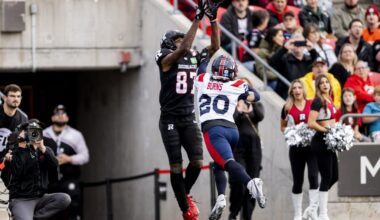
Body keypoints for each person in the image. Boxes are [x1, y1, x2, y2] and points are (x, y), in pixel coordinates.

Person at [155, 2, 221, 219]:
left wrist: (212, 20)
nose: (182, 42)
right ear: (168, 43)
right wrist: (196, 18)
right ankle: (186, 209)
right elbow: (183, 48)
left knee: (197, 162)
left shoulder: (192, 56)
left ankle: (184, 194)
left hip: (188, 116)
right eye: (177, 40)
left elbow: (214, 47)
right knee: (175, 166)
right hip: (170, 119)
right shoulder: (164, 57)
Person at [194, 55, 265, 220]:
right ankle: (220, 198)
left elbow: (202, 68)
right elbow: (256, 97)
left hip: (213, 129)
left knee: (227, 163)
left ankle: (250, 183)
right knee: (219, 165)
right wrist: (242, 85)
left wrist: (204, 57)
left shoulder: (203, 79)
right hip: (232, 130)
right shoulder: (237, 84)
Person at [5, 119, 71, 220]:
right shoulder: (17, 151)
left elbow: (54, 166)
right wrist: (22, 146)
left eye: (37, 131)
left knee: (64, 199)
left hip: (40, 197)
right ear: (24, 133)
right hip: (22, 199)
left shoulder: (45, 150)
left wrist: (42, 148)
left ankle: (35, 217)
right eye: (31, 131)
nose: (34, 134)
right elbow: (17, 172)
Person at [280, 79, 319, 220]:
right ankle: (297, 214)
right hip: (296, 148)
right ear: (291, 91)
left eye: (299, 88)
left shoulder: (311, 104)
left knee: (314, 177)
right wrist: (293, 131)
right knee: (298, 180)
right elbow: (282, 127)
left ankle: (313, 211)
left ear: (303, 90)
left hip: (312, 147)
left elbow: (317, 122)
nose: (297, 90)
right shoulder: (287, 107)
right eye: (294, 88)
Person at [43, 105, 89, 220]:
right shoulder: (44, 134)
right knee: (50, 212)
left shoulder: (76, 135)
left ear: (67, 118)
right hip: (50, 180)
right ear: (52, 117)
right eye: (57, 113)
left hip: (69, 178)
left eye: (63, 113)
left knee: (73, 209)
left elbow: (85, 156)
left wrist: (69, 159)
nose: (60, 115)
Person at [228, 78, 264, 220]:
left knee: (253, 183)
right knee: (239, 182)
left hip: (254, 147)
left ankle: (247, 216)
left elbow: (260, 116)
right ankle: (234, 213)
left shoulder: (256, 103)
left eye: (246, 85)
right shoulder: (232, 103)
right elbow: (232, 119)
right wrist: (239, 108)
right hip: (237, 146)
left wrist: (250, 105)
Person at [308, 74, 339, 220]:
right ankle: (322, 214)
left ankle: (312, 208)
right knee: (327, 176)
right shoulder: (317, 101)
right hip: (320, 141)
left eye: (327, 82)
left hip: (329, 140)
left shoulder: (329, 100)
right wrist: (326, 130)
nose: (325, 85)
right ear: (318, 86)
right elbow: (311, 123)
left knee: (334, 176)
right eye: (322, 83)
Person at [269, 33, 319, 98]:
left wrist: (312, 50)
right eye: (295, 43)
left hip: (306, 94)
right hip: (288, 94)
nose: (298, 46)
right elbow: (272, 63)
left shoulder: (309, 59)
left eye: (300, 43)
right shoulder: (285, 59)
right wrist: (284, 48)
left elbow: (320, 63)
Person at [0, 84, 28, 154]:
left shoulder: (23, 119)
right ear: (4, 98)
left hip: (11, 158)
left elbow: (22, 144)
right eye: (12, 96)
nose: (16, 99)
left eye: (18, 96)